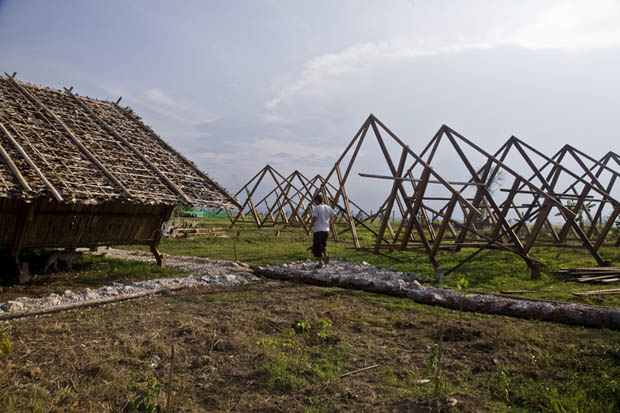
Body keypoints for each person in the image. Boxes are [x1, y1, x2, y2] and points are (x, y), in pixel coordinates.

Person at [310, 194, 337, 268]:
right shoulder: (328, 207)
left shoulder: (317, 208)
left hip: (318, 230)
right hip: (326, 230)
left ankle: (320, 263)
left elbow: (314, 218)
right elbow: (336, 216)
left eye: (315, 201)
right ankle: (326, 255)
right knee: (323, 245)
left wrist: (310, 226)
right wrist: (332, 224)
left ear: (316, 201)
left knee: (317, 247)